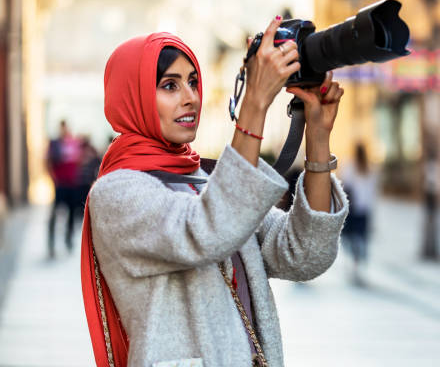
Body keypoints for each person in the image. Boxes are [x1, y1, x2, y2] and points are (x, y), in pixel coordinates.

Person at [82, 18, 348, 367]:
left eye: (193, 82)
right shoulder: (116, 193)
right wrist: (254, 103)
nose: (190, 97)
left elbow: (303, 254)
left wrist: (316, 134)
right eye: (169, 85)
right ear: (132, 96)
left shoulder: (206, 179)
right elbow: (207, 230)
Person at [341, 143, 378, 285]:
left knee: (349, 238)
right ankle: (357, 266)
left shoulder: (350, 167)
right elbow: (372, 194)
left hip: (352, 209)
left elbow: (344, 186)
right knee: (360, 239)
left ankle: (354, 265)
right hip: (363, 210)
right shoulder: (370, 170)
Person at [46, 120, 81, 257]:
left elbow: (78, 160)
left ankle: (68, 238)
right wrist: (53, 178)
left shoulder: (74, 142)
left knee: (72, 213)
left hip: (72, 184)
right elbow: (48, 161)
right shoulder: (54, 144)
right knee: (55, 213)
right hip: (60, 184)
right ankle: (51, 243)